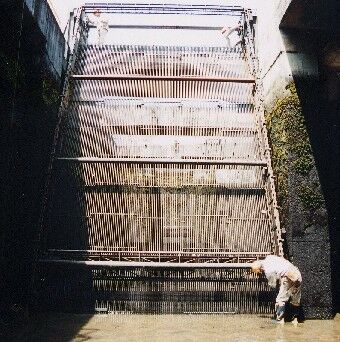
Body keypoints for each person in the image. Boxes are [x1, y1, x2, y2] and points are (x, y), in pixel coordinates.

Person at [251, 255, 302, 321]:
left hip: (288, 277)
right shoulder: (269, 257)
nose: (260, 273)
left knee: (280, 300)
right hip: (297, 274)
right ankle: (295, 319)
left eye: (259, 272)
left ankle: (280, 320)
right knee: (295, 299)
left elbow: (273, 284)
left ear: (260, 269)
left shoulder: (268, 271)